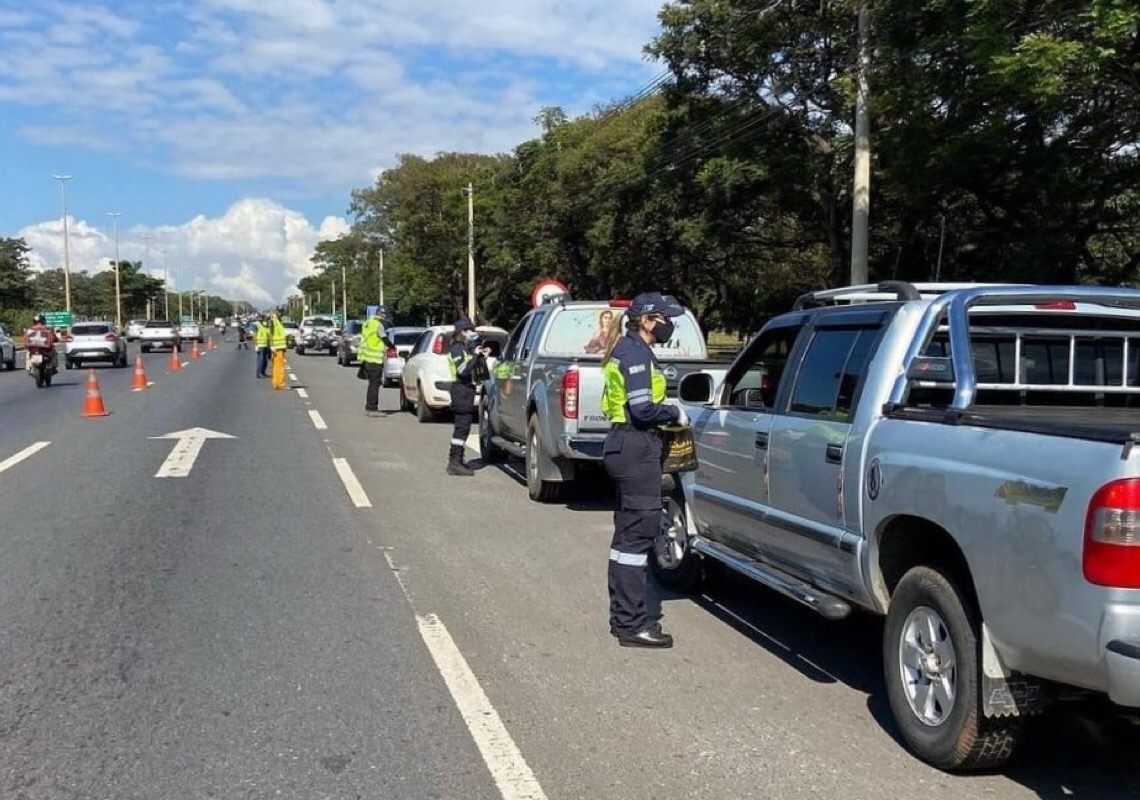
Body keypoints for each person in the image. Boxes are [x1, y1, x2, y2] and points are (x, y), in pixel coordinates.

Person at [599, 292, 689, 649]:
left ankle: (624, 618)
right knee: (640, 532)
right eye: (667, 318)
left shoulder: (627, 348)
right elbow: (642, 409)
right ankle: (633, 624)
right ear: (648, 320)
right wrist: (673, 412)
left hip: (626, 446)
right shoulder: (635, 352)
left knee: (627, 538)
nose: (671, 325)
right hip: (635, 446)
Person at [446, 318, 489, 476]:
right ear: (461, 333)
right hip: (460, 389)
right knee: (462, 427)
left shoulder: (464, 348)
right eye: (468, 330)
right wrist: (475, 356)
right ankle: (454, 462)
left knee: (464, 426)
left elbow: (473, 366)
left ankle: (457, 459)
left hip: (466, 389)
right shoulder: (457, 349)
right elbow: (463, 370)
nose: (471, 333)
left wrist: (480, 355)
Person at [359, 306, 393, 417]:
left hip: (366, 358)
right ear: (383, 314)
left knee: (371, 384)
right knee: (374, 384)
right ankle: (372, 409)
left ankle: (369, 407)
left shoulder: (367, 323)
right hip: (375, 359)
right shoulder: (378, 325)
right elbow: (384, 339)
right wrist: (392, 347)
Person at [267, 312, 288, 389]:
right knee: (280, 366)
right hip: (278, 348)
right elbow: (271, 335)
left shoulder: (276, 323)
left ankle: (275, 383)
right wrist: (272, 345)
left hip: (278, 347)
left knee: (276, 366)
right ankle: (280, 383)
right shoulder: (274, 323)